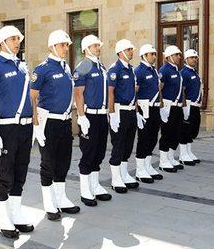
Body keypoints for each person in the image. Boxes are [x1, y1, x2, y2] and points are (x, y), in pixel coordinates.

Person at [0, 25, 35, 239]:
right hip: (7, 126)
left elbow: (30, 98)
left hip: (25, 126)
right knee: (5, 173)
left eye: (18, 38)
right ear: (2, 42)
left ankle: (15, 212)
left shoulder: (22, 66)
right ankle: (2, 217)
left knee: (21, 171)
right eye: (13, 38)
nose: (17, 42)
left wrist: (36, 126)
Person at [30, 30, 80, 221]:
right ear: (52, 46)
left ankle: (61, 198)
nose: (65, 48)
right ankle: (49, 202)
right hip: (48, 122)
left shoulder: (66, 68)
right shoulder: (42, 69)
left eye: (67, 45)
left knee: (64, 161)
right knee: (48, 163)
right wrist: (36, 125)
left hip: (65, 121)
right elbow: (32, 98)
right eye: (62, 45)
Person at [73, 34, 113, 206]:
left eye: (98, 45)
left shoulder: (101, 66)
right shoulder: (83, 67)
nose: (98, 47)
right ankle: (85, 190)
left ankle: (95, 185)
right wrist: (81, 117)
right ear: (86, 48)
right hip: (89, 116)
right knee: (88, 152)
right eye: (95, 45)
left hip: (101, 115)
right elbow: (78, 93)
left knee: (99, 151)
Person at [107, 39, 143, 193]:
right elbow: (110, 92)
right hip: (119, 110)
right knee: (119, 144)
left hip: (130, 111)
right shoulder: (115, 69)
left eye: (131, 49)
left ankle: (123, 173)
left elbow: (133, 93)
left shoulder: (131, 69)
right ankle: (115, 179)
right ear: (121, 52)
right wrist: (112, 114)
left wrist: (136, 112)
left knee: (128, 143)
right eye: (129, 49)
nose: (131, 52)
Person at [134, 44, 163, 183]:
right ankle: (140, 170)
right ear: (144, 55)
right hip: (144, 108)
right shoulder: (139, 71)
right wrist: (137, 112)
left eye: (155, 54)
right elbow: (134, 92)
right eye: (152, 54)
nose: (154, 56)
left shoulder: (154, 71)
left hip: (155, 107)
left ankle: (147, 165)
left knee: (153, 137)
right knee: (144, 138)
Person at [157, 45, 185, 172]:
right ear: (169, 57)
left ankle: (171, 157)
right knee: (167, 133)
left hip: (177, 106)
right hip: (168, 106)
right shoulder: (165, 70)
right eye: (176, 55)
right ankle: (163, 161)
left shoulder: (176, 70)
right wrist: (162, 106)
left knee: (177, 132)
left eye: (179, 55)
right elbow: (159, 89)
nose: (179, 57)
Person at [179, 49, 202, 165]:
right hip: (188, 105)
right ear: (186, 59)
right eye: (192, 57)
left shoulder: (194, 72)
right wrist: (184, 107)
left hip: (195, 105)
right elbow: (182, 91)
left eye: (196, 57)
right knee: (185, 130)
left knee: (193, 130)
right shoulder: (184, 73)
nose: (194, 59)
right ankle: (183, 154)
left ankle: (188, 152)